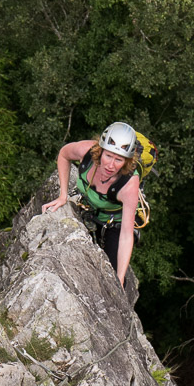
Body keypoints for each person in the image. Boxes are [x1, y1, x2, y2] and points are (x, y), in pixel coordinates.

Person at [42, 122, 142, 287]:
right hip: (88, 207)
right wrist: (63, 196)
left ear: (126, 162)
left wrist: (119, 278)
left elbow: (126, 235)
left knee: (111, 281)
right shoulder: (86, 152)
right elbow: (63, 154)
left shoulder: (129, 184)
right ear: (100, 150)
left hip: (114, 222)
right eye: (108, 156)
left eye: (119, 160)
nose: (111, 165)